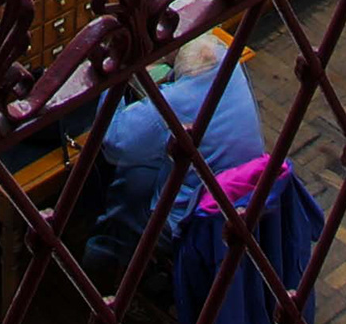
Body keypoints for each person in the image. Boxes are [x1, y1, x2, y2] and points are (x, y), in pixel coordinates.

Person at [82, 28, 264, 286]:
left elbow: (114, 144)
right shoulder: (228, 63)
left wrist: (112, 81)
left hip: (197, 220)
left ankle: (106, 258)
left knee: (130, 177)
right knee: (154, 158)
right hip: (245, 195)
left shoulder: (175, 101)